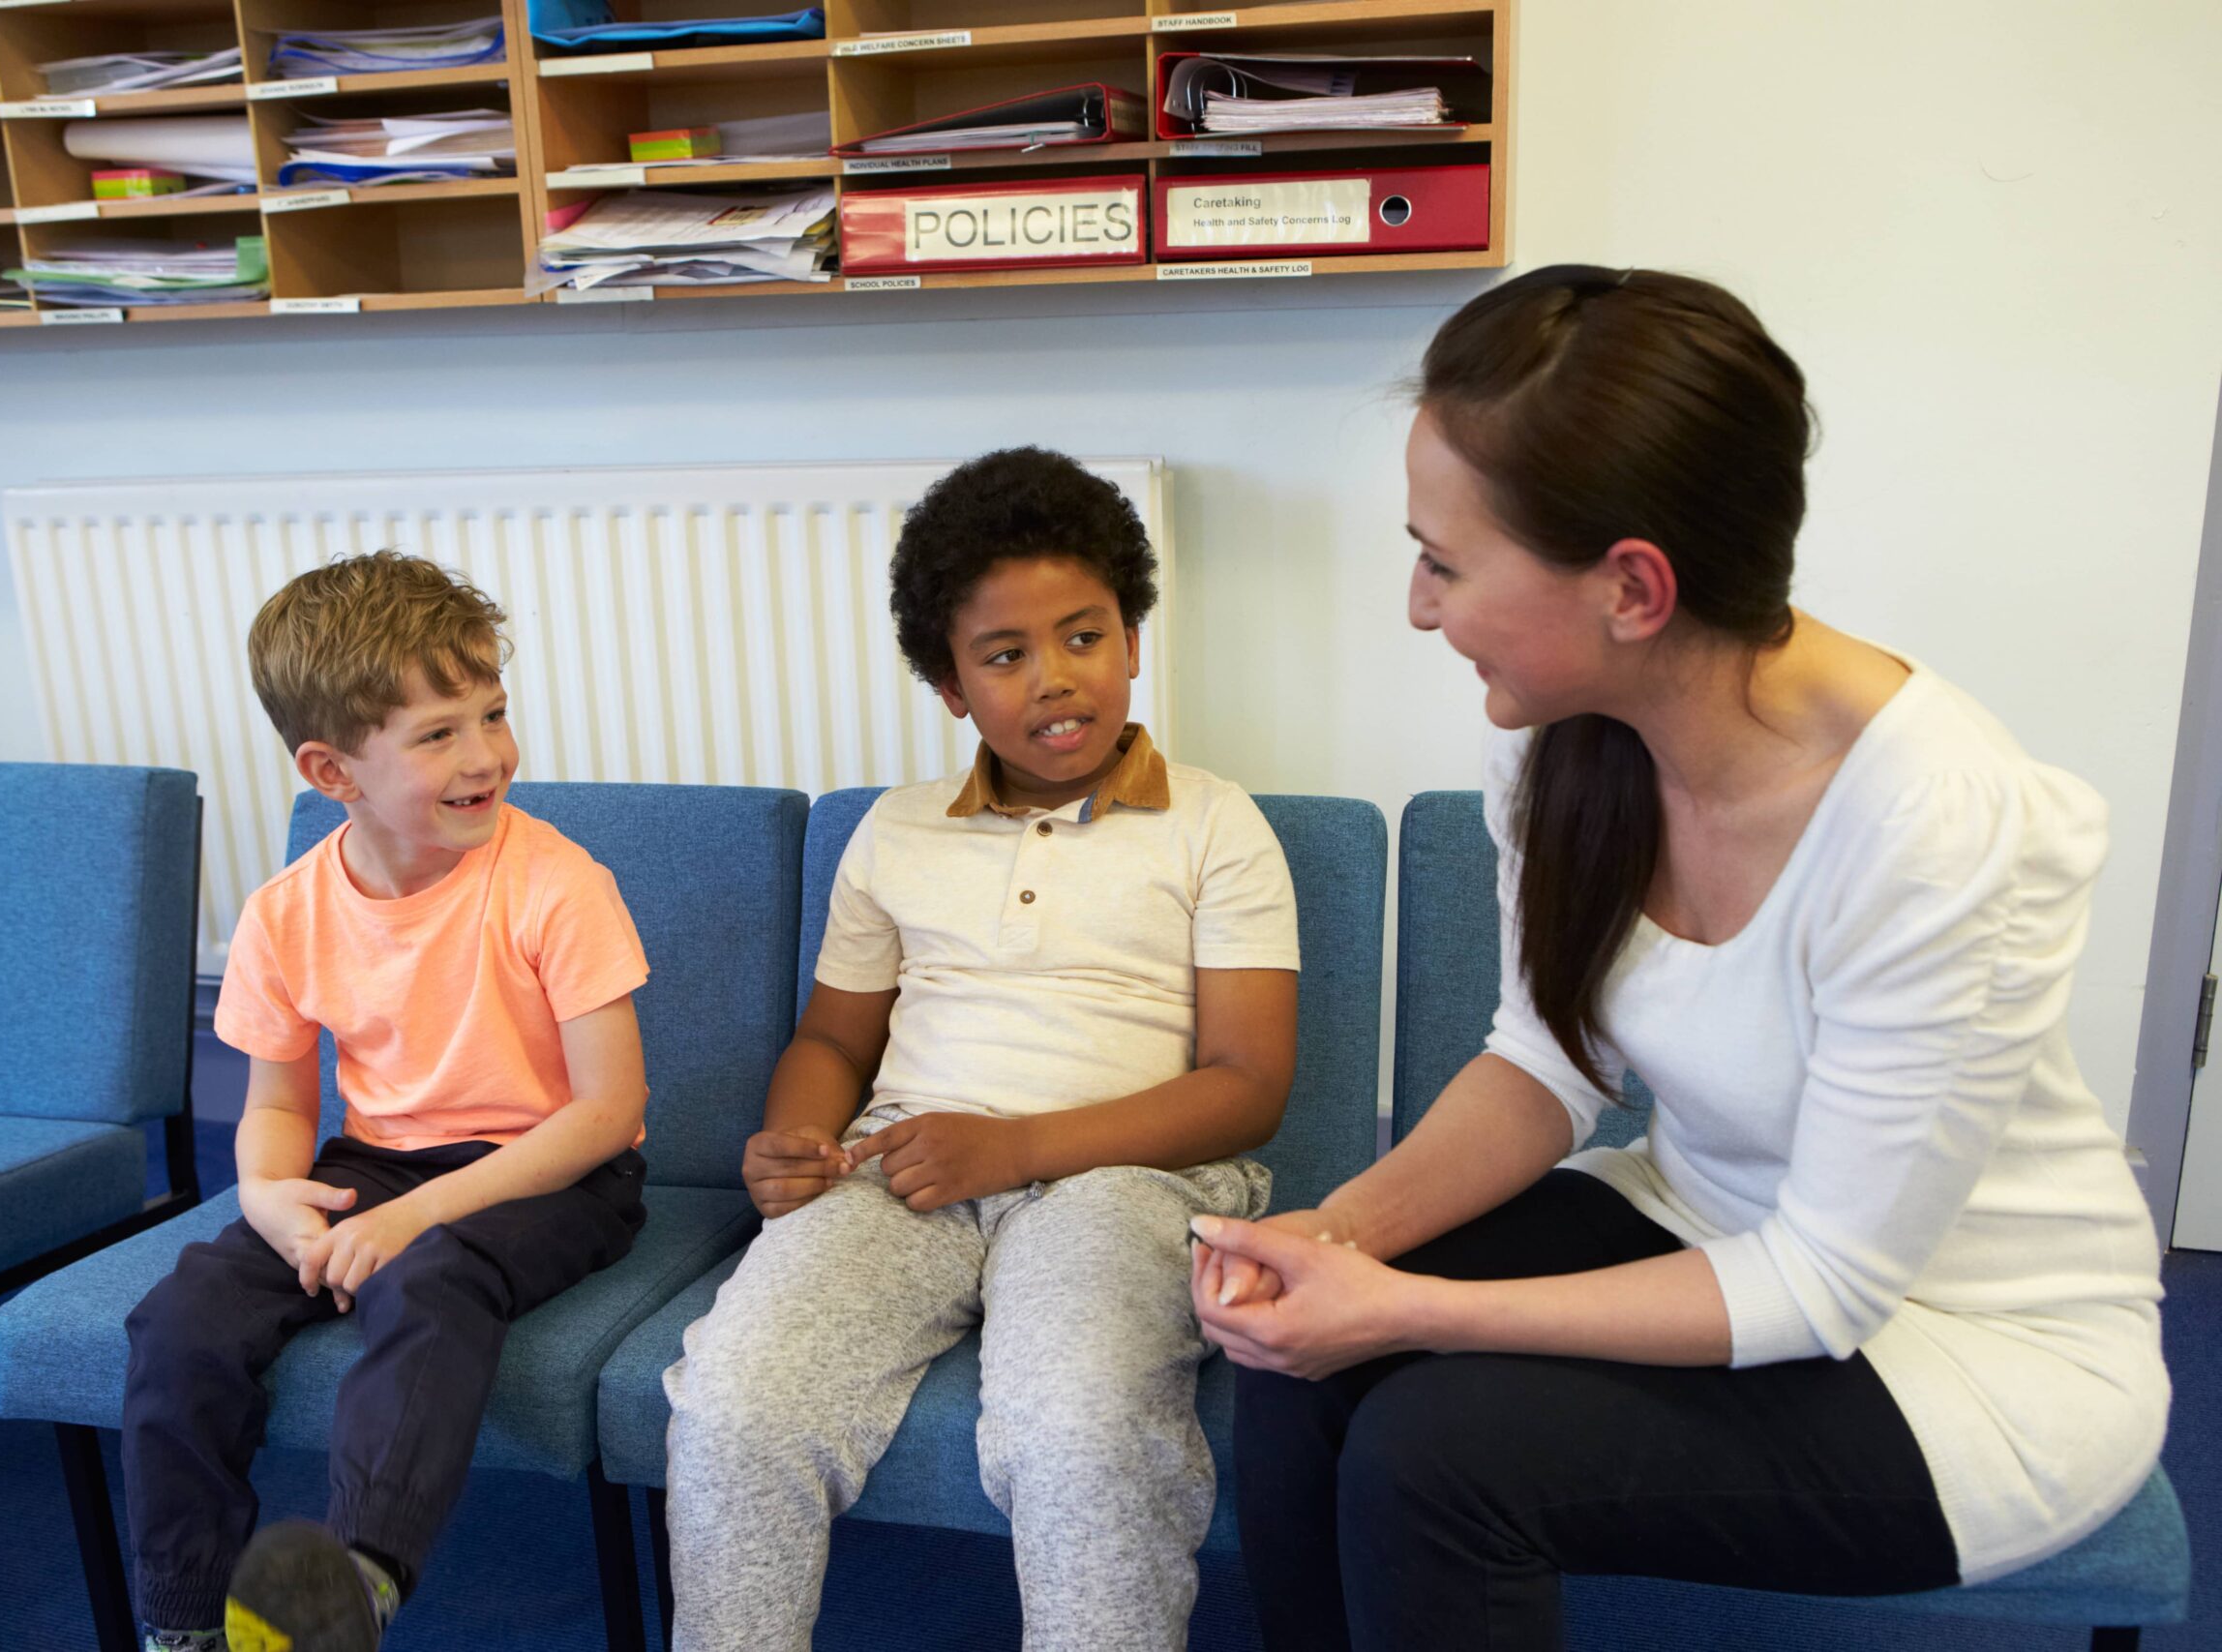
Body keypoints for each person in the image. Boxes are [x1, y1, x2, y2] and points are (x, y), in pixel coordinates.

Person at [1193, 266, 2170, 1651]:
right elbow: (1547, 1057)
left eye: (1447, 561)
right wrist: (1331, 1237)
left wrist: (1412, 1303)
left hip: (1964, 1348)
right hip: (1707, 1219)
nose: (1420, 606)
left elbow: (1829, 1281)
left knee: (1435, 1448)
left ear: (1633, 587)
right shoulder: (1560, 730)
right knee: (1297, 1344)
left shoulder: (1941, 823)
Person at [662, 446, 1303, 1652]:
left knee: (1081, 1428)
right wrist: (794, 1136)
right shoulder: (893, 832)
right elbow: (832, 1037)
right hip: (901, 1166)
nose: (1055, 680)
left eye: (1083, 636)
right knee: (740, 1402)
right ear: (950, 685)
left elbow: (1248, 1088)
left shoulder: (1217, 824)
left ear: (1130, 637)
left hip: (1122, 1184)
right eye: (1005, 656)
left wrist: (1012, 1149)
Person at [120, 552, 655, 1652]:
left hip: (558, 1169)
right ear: (333, 770)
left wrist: (414, 1218)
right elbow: (273, 1104)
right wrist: (270, 1198)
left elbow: (607, 1111)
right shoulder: (282, 914)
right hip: (376, 1158)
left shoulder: (557, 882)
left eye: (493, 714)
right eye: (438, 733)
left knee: (433, 1276)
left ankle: (355, 1580)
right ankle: (186, 1621)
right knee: (182, 1317)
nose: (487, 755)